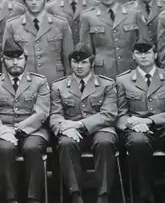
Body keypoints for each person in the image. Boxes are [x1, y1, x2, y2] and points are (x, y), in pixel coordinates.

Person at [116, 40, 165, 203]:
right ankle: (144, 194)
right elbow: (121, 115)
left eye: (147, 52)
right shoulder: (124, 80)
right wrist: (133, 125)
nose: (143, 56)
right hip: (136, 130)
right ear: (133, 56)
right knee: (138, 143)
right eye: (139, 52)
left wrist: (149, 121)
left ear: (156, 55)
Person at [0, 39, 50, 203]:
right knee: (5, 149)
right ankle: (10, 198)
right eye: (10, 58)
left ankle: (33, 198)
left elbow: (41, 112)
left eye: (19, 58)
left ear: (26, 59)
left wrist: (17, 129)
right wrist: (1, 130)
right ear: (3, 60)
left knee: (32, 147)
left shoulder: (39, 82)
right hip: (2, 131)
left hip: (33, 130)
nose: (15, 62)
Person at [50, 44, 117, 203]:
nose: (79, 66)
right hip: (71, 130)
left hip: (100, 129)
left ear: (92, 63)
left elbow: (109, 114)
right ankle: (75, 194)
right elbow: (55, 115)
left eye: (84, 62)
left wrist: (79, 125)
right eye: (75, 62)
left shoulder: (107, 84)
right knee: (66, 143)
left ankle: (103, 195)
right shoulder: (59, 86)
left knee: (105, 142)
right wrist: (63, 127)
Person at [3, 0, 73, 85]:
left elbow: (68, 57)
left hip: (55, 80)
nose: (34, 2)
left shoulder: (60, 23)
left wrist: (69, 82)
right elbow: (6, 58)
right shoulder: (13, 25)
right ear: (24, 1)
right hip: (25, 81)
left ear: (45, 0)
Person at [79, 0, 148, 78]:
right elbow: (86, 51)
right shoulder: (88, 16)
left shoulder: (134, 14)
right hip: (102, 72)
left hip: (131, 68)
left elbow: (144, 45)